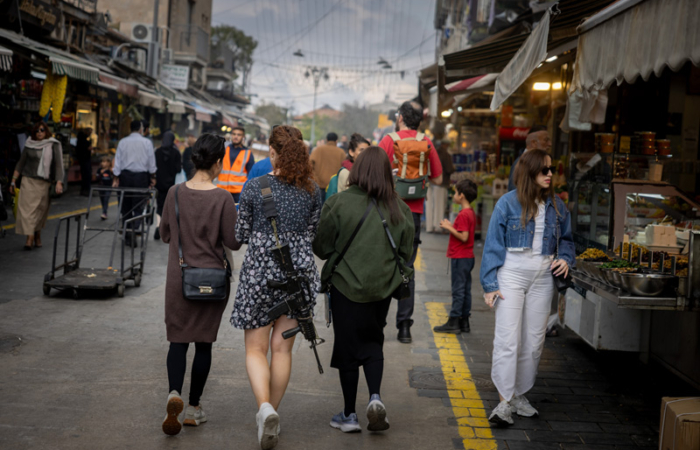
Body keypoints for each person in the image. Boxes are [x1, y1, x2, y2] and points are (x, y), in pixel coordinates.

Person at [231, 125, 322, 450]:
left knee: (256, 349)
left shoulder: (255, 187)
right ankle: (271, 413)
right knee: (282, 349)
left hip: (259, 274)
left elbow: (239, 234)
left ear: (272, 151)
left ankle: (264, 408)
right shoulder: (312, 190)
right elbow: (313, 233)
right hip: (297, 276)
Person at [313, 147, 414, 433]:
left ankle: (348, 415)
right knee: (373, 341)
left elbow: (320, 247)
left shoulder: (338, 203)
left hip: (345, 286)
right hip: (382, 290)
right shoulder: (400, 208)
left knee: (347, 346)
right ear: (386, 173)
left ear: (357, 170)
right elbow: (406, 252)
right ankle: (375, 398)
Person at [479, 149, 574, 426]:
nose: (549, 175)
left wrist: (565, 259)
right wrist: (490, 284)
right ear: (530, 172)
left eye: (551, 169)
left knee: (534, 342)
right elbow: (493, 245)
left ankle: (519, 394)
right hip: (512, 273)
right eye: (544, 170)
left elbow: (567, 239)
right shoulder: (507, 203)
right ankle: (504, 402)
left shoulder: (557, 205)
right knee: (508, 340)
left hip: (544, 276)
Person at [159, 134, 242, 436]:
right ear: (219, 162)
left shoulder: (174, 193)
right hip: (211, 284)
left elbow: (166, 234)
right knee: (203, 344)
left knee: (178, 341)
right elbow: (233, 241)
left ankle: (173, 393)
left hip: (179, 281)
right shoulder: (223, 198)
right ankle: (193, 408)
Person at [379, 101, 443, 343]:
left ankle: (380, 321)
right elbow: (438, 179)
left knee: (384, 266)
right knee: (407, 268)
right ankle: (404, 327)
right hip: (413, 214)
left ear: (400, 118)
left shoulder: (388, 140)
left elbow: (374, 173)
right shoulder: (427, 143)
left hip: (388, 211)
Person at [9, 122, 64, 250]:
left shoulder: (53, 144)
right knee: (28, 210)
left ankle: (37, 234)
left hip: (44, 183)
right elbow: (20, 163)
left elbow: (58, 165)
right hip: (28, 180)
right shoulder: (29, 144)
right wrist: (13, 181)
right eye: (37, 131)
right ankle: (29, 238)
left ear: (46, 131)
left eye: (42, 130)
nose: (39, 132)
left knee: (40, 210)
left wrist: (59, 181)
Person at [433, 179, 478, 334]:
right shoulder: (470, 212)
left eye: (456, 192)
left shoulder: (464, 214)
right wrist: (451, 226)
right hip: (467, 256)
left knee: (458, 290)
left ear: (462, 196)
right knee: (465, 289)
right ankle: (464, 322)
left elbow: (464, 237)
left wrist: (447, 227)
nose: (454, 194)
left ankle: (454, 321)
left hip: (460, 257)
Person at [112, 120, 157, 247]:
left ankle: (128, 231)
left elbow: (118, 163)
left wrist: (115, 178)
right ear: (141, 129)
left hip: (125, 177)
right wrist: (153, 177)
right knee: (138, 206)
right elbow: (151, 164)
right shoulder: (147, 143)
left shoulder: (122, 142)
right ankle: (134, 228)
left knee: (125, 207)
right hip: (141, 178)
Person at [154, 131, 182, 240]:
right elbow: (178, 169)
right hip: (171, 184)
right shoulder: (176, 153)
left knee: (159, 205)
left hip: (159, 183)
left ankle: (158, 225)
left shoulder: (157, 152)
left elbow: (153, 167)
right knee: (170, 205)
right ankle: (166, 229)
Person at [217, 126, 254, 203]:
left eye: (239, 135)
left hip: (238, 192)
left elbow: (251, 175)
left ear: (243, 137)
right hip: (221, 189)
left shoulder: (248, 153)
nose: (236, 136)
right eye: (234, 134)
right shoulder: (224, 149)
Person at [508, 126, 551, 192]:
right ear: (533, 143)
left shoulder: (536, 162)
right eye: (546, 140)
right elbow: (514, 194)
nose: (549, 144)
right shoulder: (520, 164)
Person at [425, 140, 455, 233]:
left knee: (429, 206)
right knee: (439, 206)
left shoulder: (429, 153)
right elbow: (449, 169)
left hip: (429, 182)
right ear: (444, 144)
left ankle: (429, 227)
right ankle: (438, 227)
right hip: (440, 182)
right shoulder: (445, 155)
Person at [310, 132, 346, 200]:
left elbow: (310, 164)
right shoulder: (341, 152)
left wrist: (314, 176)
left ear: (326, 140)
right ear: (336, 141)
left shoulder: (318, 150)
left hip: (319, 184)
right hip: (334, 186)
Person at [76, 128, 93, 196]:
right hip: (85, 159)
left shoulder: (80, 140)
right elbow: (89, 148)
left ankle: (84, 190)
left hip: (82, 159)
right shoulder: (84, 141)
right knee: (87, 175)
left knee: (84, 175)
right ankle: (86, 190)